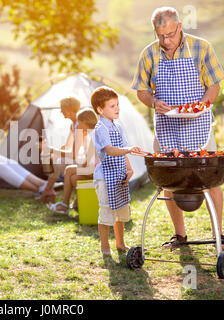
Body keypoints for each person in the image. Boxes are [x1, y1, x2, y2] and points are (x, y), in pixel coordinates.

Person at [132, 7, 224, 250]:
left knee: (211, 180)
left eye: (170, 34)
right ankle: (180, 235)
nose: (166, 40)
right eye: (160, 35)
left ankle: (219, 235)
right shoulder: (149, 54)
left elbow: (214, 86)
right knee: (168, 181)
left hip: (199, 123)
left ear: (179, 27)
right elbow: (141, 91)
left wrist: (200, 106)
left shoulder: (201, 47)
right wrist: (154, 102)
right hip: (166, 125)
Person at [91, 86, 144, 255]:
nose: (117, 109)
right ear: (100, 109)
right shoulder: (100, 128)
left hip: (119, 174)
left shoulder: (118, 126)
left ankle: (120, 243)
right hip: (105, 176)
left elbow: (121, 149)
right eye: (112, 106)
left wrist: (129, 169)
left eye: (117, 105)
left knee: (121, 210)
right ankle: (105, 246)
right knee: (106, 212)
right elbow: (110, 150)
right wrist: (128, 149)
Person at [47, 108, 99, 214]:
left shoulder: (94, 135)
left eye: (79, 124)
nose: (78, 127)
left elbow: (89, 161)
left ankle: (64, 204)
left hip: (96, 170)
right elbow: (88, 160)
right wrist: (81, 164)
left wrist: (80, 165)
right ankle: (77, 204)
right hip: (93, 169)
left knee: (69, 170)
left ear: (85, 122)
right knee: (74, 178)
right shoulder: (91, 134)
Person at [38, 97, 82, 203]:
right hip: (79, 158)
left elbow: (74, 154)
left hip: (84, 160)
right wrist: (54, 151)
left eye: (62, 108)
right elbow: (67, 146)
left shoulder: (80, 125)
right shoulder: (73, 125)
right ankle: (49, 190)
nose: (61, 111)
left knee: (57, 161)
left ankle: (48, 190)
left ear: (69, 110)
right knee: (55, 159)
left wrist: (51, 150)